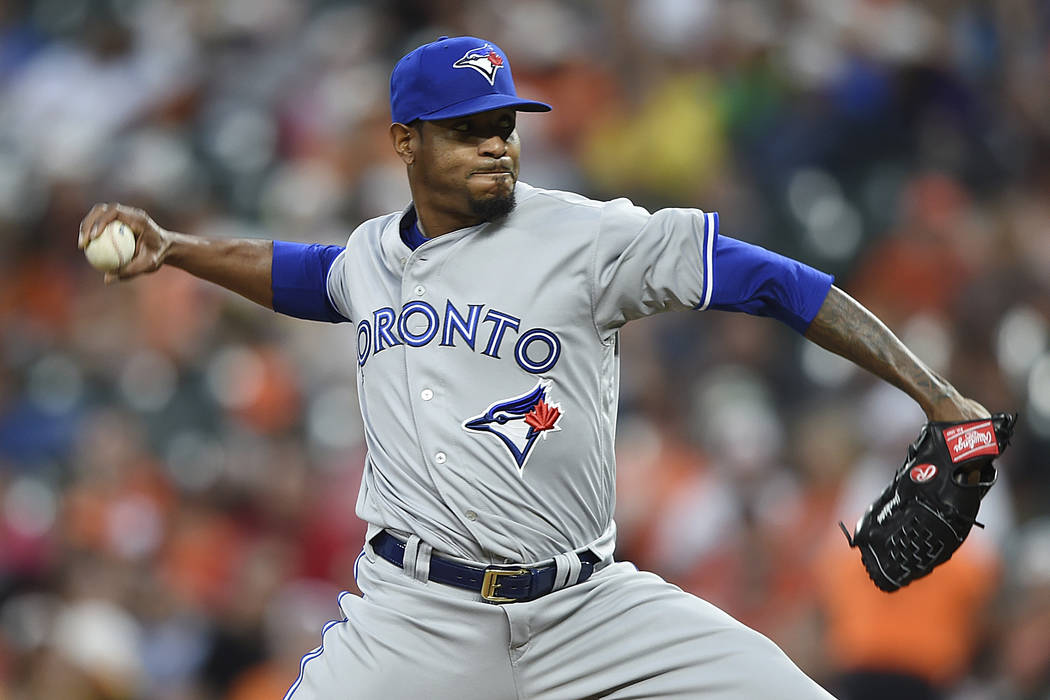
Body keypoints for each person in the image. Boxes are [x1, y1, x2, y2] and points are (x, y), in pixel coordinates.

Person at [79, 36, 991, 700]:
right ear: (405, 143)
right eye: (467, 129)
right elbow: (308, 276)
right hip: (415, 620)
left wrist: (936, 393)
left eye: (504, 125)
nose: (497, 144)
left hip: (588, 608)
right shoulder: (370, 254)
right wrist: (177, 249)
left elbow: (769, 281)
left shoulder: (586, 237)